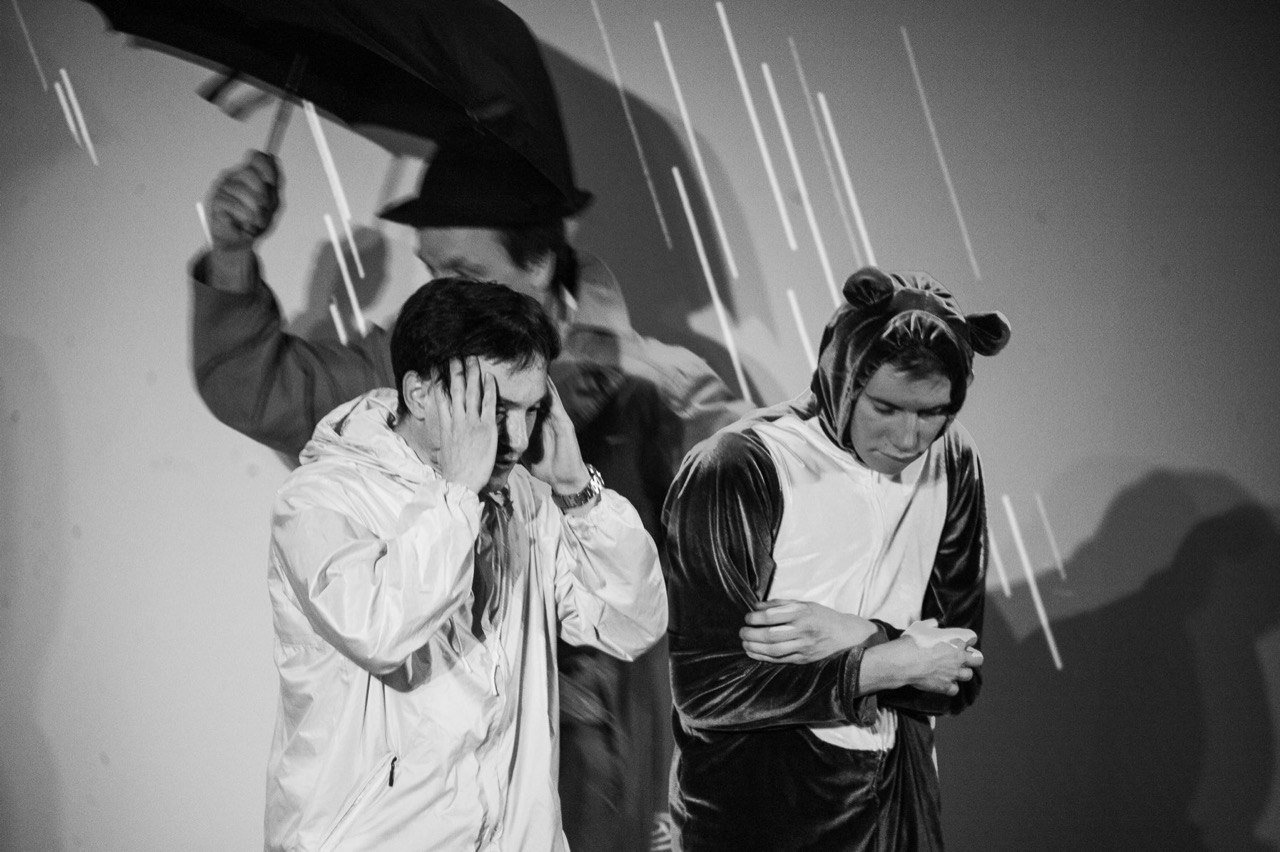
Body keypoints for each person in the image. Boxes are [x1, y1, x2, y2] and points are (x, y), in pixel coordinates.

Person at [191, 140, 746, 850]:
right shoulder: (407, 374)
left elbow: (709, 568)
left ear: (537, 263)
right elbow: (259, 387)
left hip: (584, 763)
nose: (507, 432)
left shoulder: (661, 389)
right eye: (433, 270)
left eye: (466, 270)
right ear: (418, 391)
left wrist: (581, 491)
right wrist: (231, 254)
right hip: (399, 805)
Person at [264, 277, 666, 850]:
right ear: (420, 393)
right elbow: (380, 632)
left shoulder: (524, 499)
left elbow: (633, 622)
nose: (518, 438)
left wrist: (577, 489)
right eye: (495, 410)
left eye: (532, 410)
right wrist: (457, 494)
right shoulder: (321, 500)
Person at [661, 267, 1012, 851]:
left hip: (897, 802)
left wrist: (858, 635)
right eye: (886, 408)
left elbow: (956, 673)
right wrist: (886, 664)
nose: (909, 439)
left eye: (933, 413)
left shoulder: (954, 459)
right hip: (757, 811)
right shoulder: (740, 464)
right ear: (844, 377)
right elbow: (709, 689)